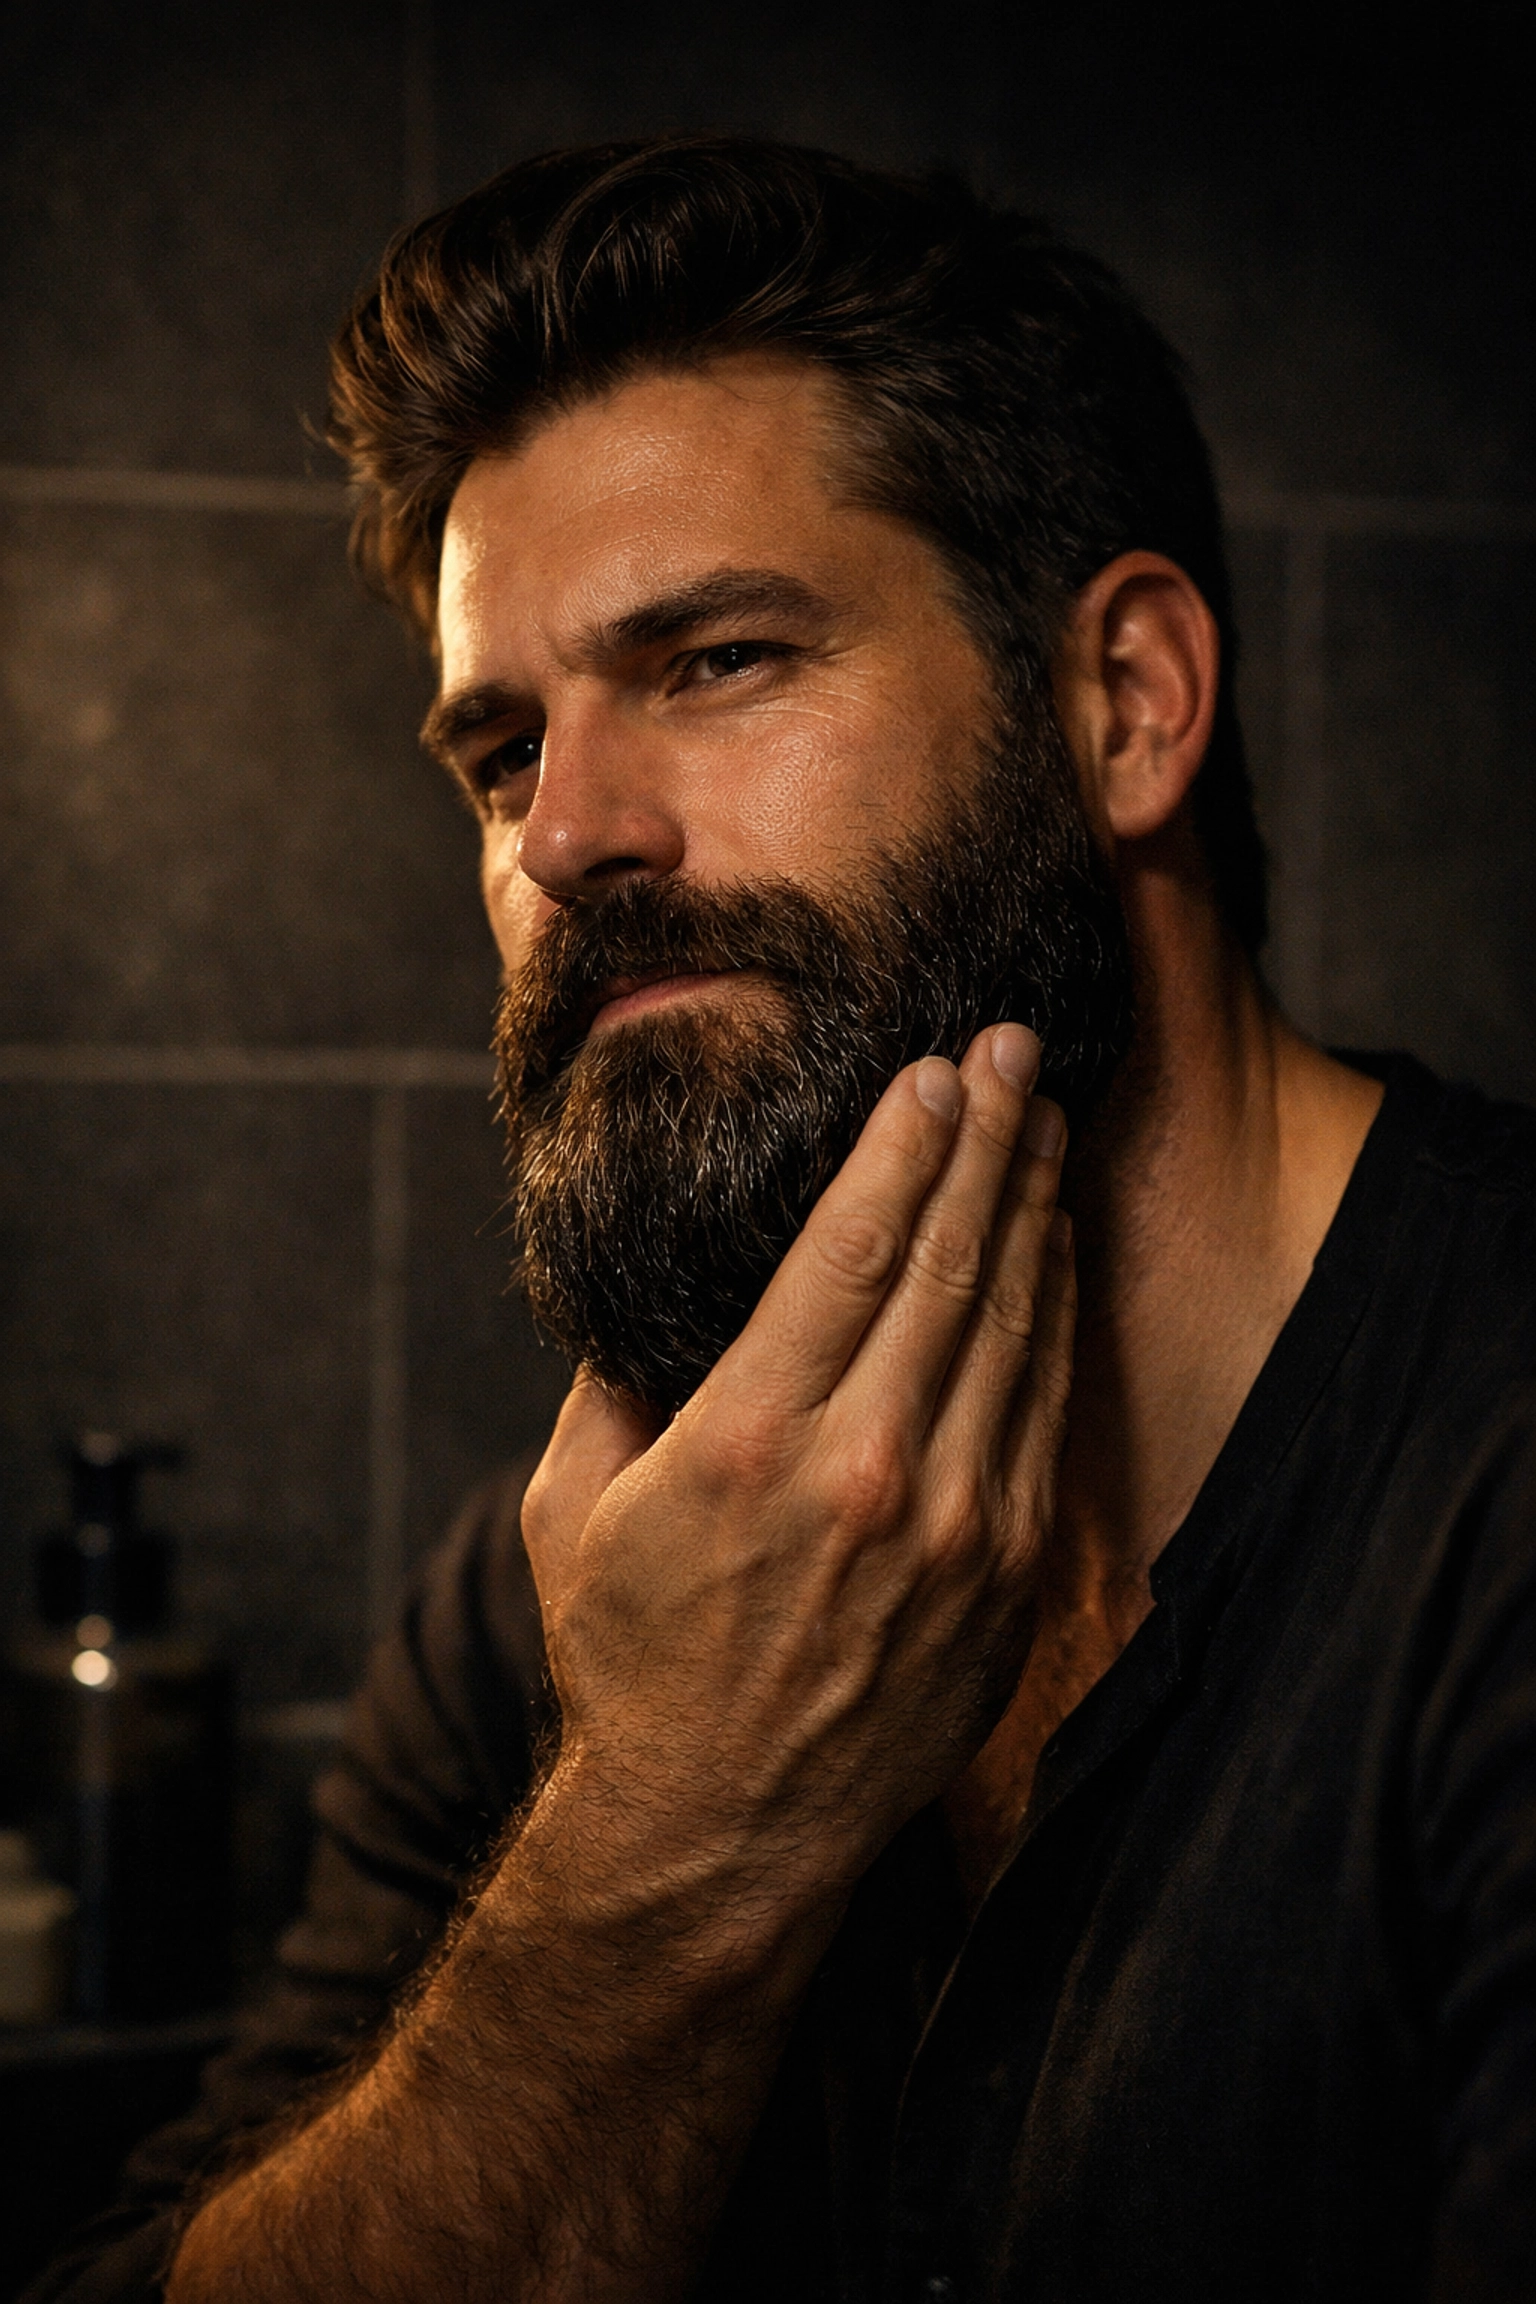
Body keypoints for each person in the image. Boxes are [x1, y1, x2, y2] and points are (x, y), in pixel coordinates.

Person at [30, 138, 1536, 2304]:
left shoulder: (1486, 1497)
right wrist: (660, 1838)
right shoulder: (579, 1591)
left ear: (1123, 705)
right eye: (499, 753)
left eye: (720, 660)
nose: (566, 839)